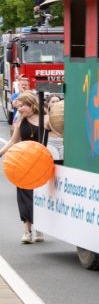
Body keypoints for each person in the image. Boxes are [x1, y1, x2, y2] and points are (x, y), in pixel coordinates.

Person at [0, 91, 48, 243]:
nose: (19, 109)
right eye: (18, 106)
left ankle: (39, 227)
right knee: (23, 196)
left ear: (31, 105)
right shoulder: (21, 121)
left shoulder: (46, 120)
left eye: (22, 106)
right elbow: (13, 141)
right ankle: (27, 231)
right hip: (24, 164)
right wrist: (0, 152)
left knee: (40, 196)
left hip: (41, 164)